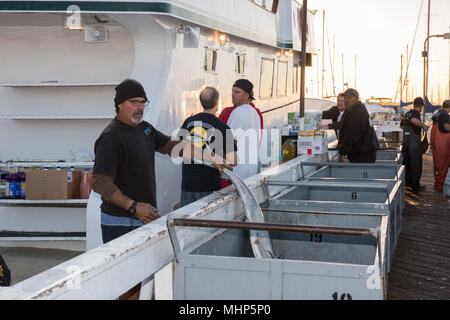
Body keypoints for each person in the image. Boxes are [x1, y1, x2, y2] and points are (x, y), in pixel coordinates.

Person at [92, 79, 233, 299]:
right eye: (133, 102)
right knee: (128, 286)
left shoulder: (145, 129)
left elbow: (174, 146)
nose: (139, 107)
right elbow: (100, 182)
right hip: (121, 220)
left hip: (144, 217)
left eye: (142, 102)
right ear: (119, 104)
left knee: (145, 282)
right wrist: (133, 207)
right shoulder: (111, 137)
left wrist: (211, 157)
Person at [178, 87, 238, 206]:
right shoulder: (222, 127)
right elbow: (233, 161)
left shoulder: (189, 122)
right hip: (209, 186)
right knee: (208, 222)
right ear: (217, 102)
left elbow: (178, 148)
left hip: (188, 184)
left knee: (188, 222)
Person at [219, 79, 263, 187]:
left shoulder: (238, 112)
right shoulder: (255, 113)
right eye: (233, 91)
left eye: (237, 92)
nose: (233, 95)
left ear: (247, 95)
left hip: (235, 173)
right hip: (249, 172)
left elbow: (229, 140)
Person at [338, 88, 378, 163]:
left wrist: (342, 153)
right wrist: (340, 142)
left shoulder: (356, 112)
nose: (345, 101)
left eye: (348, 98)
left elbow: (352, 135)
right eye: (345, 98)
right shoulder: (358, 108)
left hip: (362, 154)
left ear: (355, 99)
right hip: (364, 151)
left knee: (360, 174)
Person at [400, 97, 430, 191]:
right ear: (421, 106)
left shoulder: (407, 113)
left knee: (407, 163)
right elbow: (413, 120)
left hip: (405, 142)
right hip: (414, 144)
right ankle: (415, 185)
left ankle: (407, 183)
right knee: (415, 163)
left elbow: (401, 125)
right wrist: (424, 126)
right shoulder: (415, 113)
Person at [430, 100, 450, 192]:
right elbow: (446, 127)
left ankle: (437, 183)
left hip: (434, 141)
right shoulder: (445, 115)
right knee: (443, 163)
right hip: (442, 142)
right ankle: (441, 186)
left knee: (437, 164)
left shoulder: (436, 114)